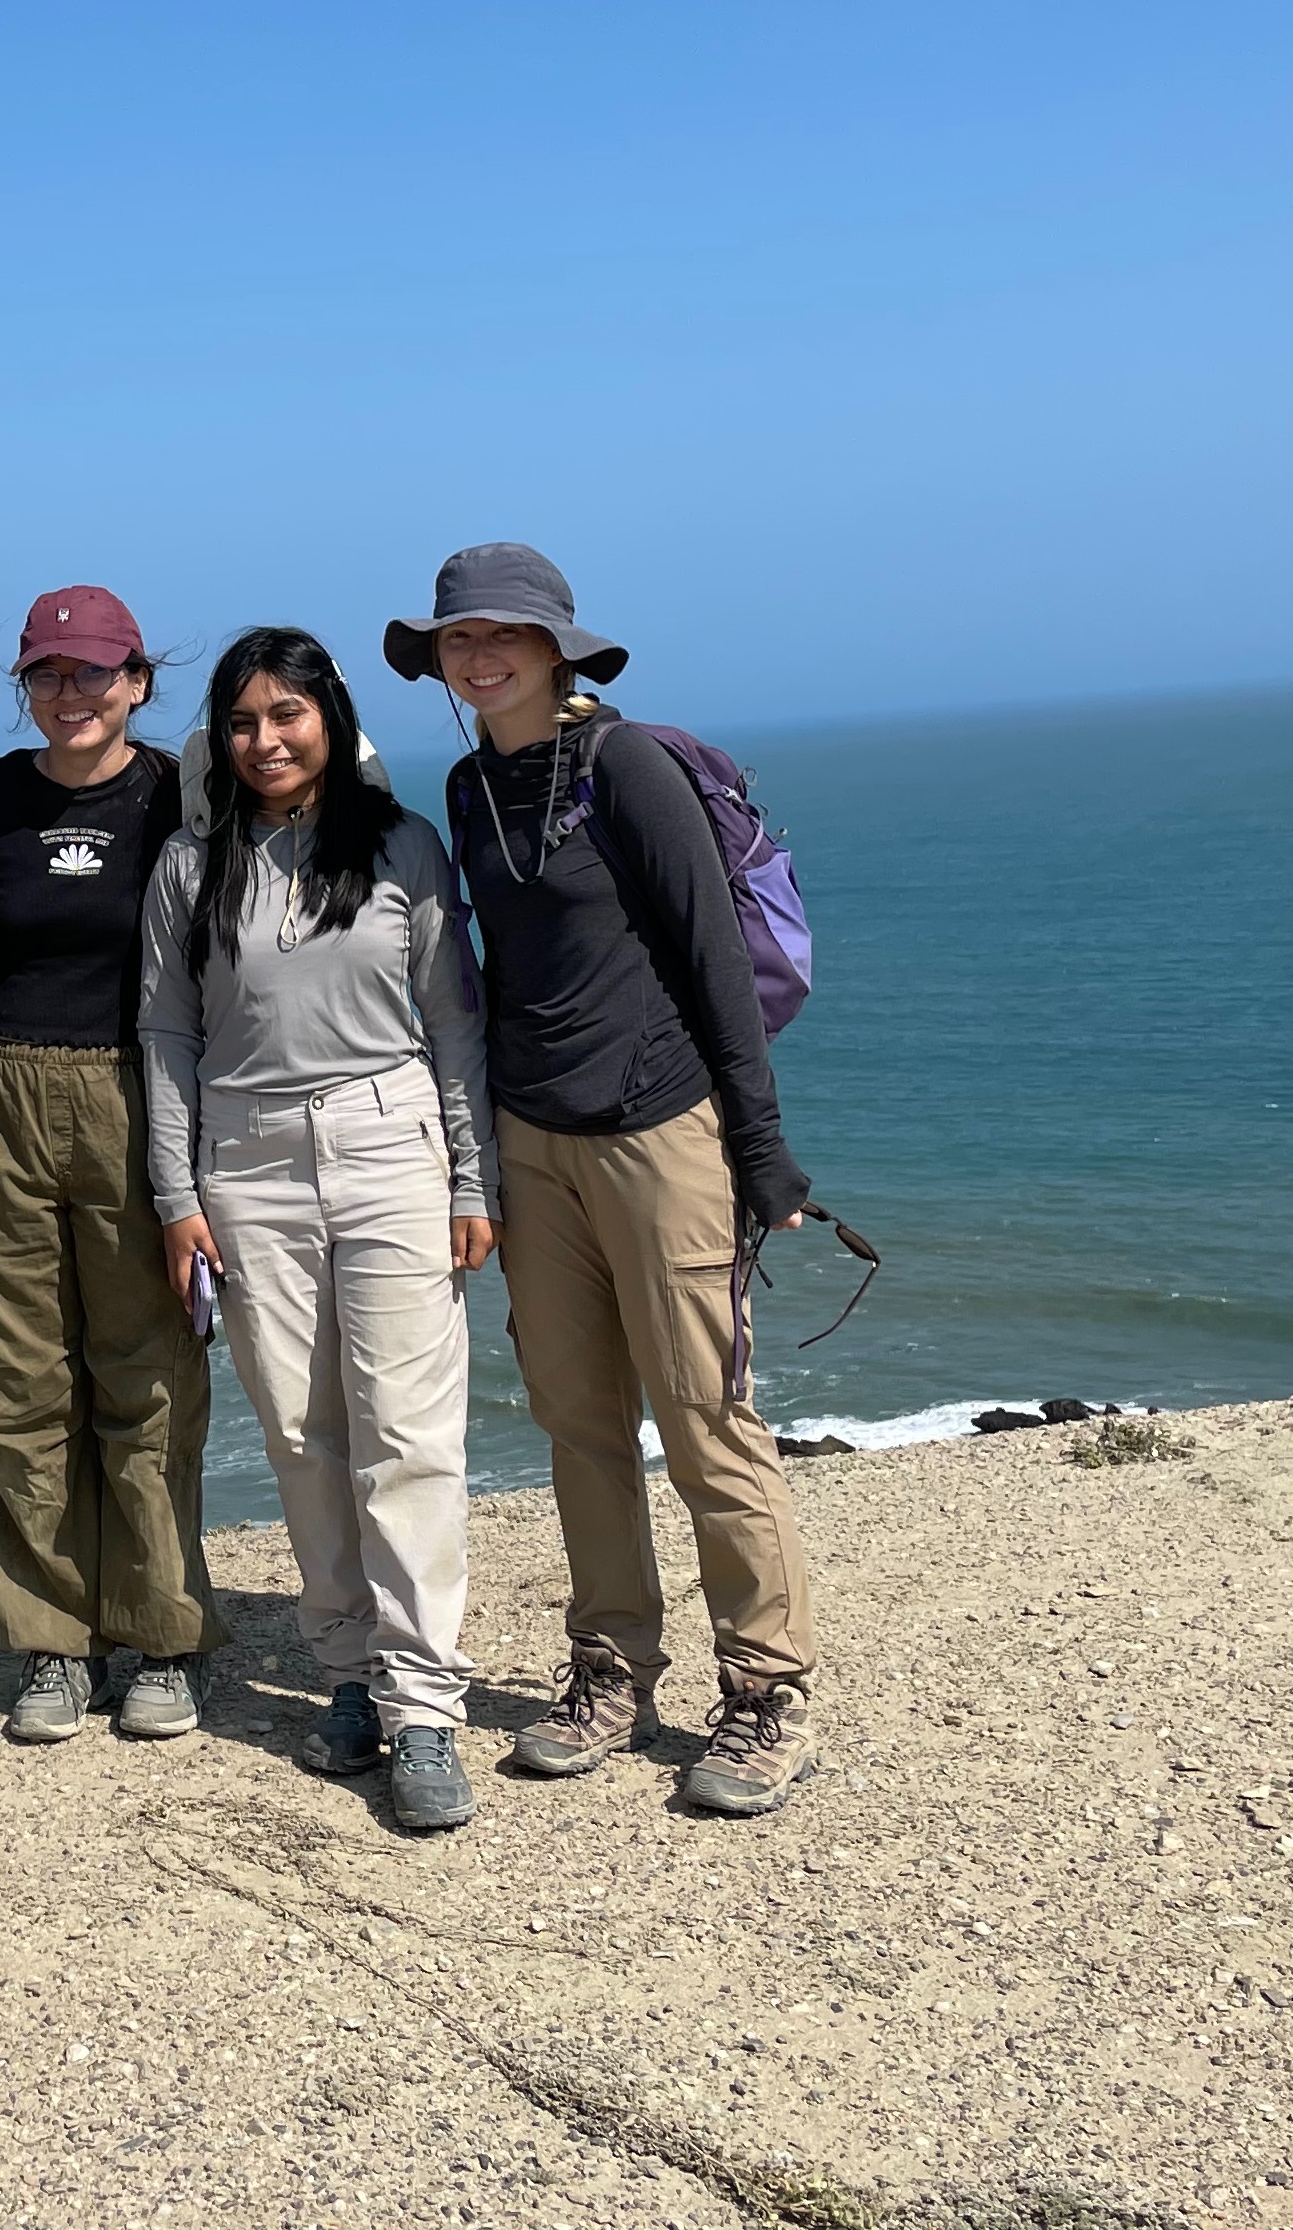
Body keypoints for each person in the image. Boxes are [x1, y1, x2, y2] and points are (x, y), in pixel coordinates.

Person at [389, 542, 823, 1815]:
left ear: (557, 648)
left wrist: (761, 1149)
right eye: (460, 639)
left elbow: (710, 963)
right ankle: (611, 1667)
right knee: (580, 1424)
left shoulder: (626, 767)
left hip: (659, 1130)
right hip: (535, 1141)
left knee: (707, 1421)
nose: (479, 656)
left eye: (503, 637)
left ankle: (766, 1691)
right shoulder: (471, 786)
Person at [141, 626, 495, 1835]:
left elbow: (455, 1022)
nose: (265, 741)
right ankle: (346, 1669)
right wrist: (174, 1196)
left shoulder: (402, 847)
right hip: (244, 1162)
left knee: (407, 1432)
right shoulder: (192, 865)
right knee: (302, 1431)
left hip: (393, 1142)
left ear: (331, 721)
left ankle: (426, 1704)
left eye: (287, 716)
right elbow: (168, 1037)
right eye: (242, 722)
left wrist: (472, 1182)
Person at [0, 585, 223, 1747]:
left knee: (147, 1371)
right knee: (13, 1379)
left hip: (136, 1091)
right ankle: (51, 1641)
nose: (71, 693)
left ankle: (159, 1634)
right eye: (48, 673)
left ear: (138, 680)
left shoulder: (181, 794)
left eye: (95, 673)